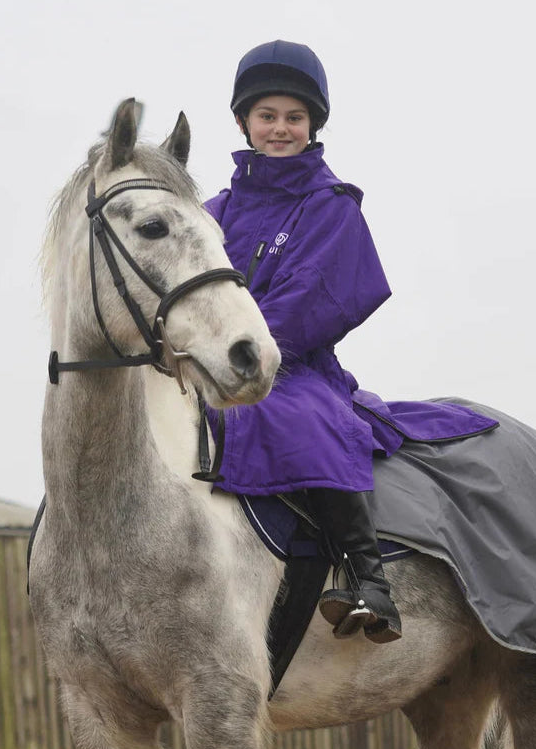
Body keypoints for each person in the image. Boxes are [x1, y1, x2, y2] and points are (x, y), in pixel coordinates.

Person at [204, 40, 497, 643]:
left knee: (305, 418)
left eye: (294, 117)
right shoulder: (212, 211)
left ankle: (370, 581)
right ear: (243, 122)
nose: (280, 128)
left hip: (291, 368)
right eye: (268, 116)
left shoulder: (331, 207)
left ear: (312, 125)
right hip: (205, 365)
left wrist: (246, 355)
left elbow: (315, 296)